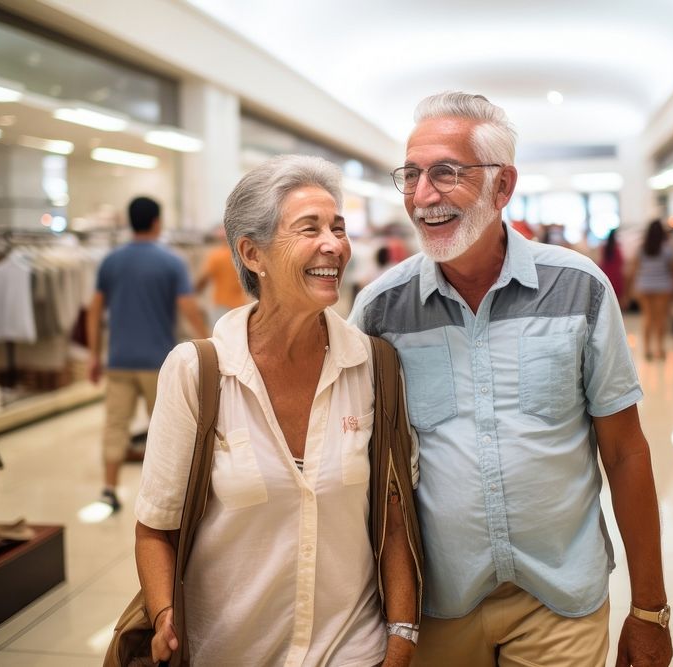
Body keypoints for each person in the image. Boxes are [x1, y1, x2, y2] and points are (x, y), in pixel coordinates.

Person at [350, 92, 672, 666]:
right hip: (434, 608)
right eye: (412, 175)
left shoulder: (579, 290)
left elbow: (625, 453)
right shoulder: (380, 311)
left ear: (503, 186)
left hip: (559, 600)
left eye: (446, 173)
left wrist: (650, 609)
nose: (423, 196)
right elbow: (358, 468)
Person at [135, 155, 422, 666]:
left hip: (351, 648)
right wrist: (163, 618)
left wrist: (400, 641)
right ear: (253, 254)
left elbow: (394, 519)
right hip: (228, 652)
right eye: (309, 228)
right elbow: (155, 527)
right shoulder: (198, 371)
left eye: (338, 227)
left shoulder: (372, 366)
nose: (333, 245)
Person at [87, 196, 207, 512]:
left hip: (119, 360)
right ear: (157, 221)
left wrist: (94, 356)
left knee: (115, 426)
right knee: (167, 428)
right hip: (158, 363)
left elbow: (94, 310)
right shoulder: (171, 262)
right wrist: (210, 344)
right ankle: (170, 496)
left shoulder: (111, 261)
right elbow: (188, 308)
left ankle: (108, 490)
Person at [629, 220, 673, 360]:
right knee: (660, 319)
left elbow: (634, 269)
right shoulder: (667, 249)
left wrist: (632, 288)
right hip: (663, 287)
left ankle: (646, 350)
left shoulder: (642, 248)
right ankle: (660, 349)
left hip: (644, 286)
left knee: (647, 317)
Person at [195, 228, 251, 327]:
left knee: (220, 339)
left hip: (221, 305)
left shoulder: (216, 256)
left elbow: (204, 278)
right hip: (240, 306)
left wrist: (194, 292)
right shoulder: (241, 256)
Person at [598, 227, 626, 306]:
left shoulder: (603, 248)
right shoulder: (617, 249)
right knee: (617, 303)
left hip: (606, 276)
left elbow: (600, 263)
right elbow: (621, 262)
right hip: (616, 277)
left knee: (607, 302)